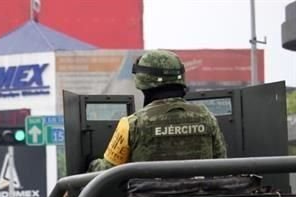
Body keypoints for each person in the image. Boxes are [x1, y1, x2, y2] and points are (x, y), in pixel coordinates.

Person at [90, 50, 226, 172]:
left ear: (143, 82)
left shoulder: (132, 124)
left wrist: (91, 164)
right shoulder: (207, 117)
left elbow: (106, 171)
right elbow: (221, 164)